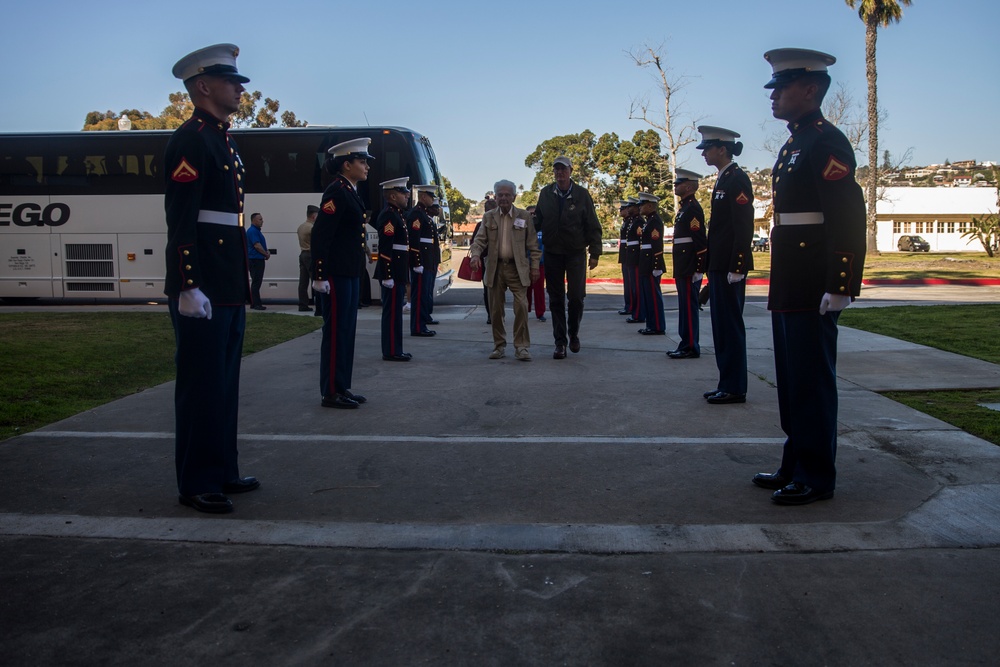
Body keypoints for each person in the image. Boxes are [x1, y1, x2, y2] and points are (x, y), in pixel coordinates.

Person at [752, 48, 867, 505]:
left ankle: (816, 475)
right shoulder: (795, 142)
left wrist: (841, 283)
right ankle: (794, 460)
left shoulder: (826, 142)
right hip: (791, 278)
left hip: (813, 279)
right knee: (792, 377)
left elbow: (846, 216)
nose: (773, 96)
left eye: (780, 88)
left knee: (812, 379)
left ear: (810, 89)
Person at [164, 43, 258, 514]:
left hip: (226, 283)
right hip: (204, 284)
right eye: (231, 81)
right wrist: (187, 284)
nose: (241, 88)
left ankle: (221, 468)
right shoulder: (191, 139)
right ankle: (196, 481)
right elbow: (182, 220)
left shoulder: (221, 138)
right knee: (201, 386)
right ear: (203, 86)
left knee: (224, 384)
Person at [311, 138, 373, 409]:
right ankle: (330, 391)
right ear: (346, 165)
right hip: (335, 273)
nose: (366, 166)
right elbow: (321, 235)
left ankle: (342, 385)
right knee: (336, 332)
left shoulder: (350, 191)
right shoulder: (336, 191)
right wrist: (320, 275)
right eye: (362, 162)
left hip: (348, 272)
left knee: (346, 331)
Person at [697, 126, 755, 404]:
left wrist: (738, 265)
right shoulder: (723, 179)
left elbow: (742, 226)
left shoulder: (737, 179)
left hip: (730, 266)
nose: (704, 153)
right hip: (719, 265)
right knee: (721, 327)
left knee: (730, 326)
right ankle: (726, 382)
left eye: (708, 148)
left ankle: (734, 386)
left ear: (723, 148)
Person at [532, 155, 602, 359]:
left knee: (576, 297)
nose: (560, 173)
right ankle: (560, 342)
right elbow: (538, 221)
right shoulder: (545, 194)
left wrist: (595, 252)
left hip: (576, 253)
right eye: (556, 170)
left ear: (571, 171)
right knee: (555, 299)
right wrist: (521, 230)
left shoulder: (582, 194)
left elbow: (592, 225)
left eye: (563, 169)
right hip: (553, 253)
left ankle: (574, 334)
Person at [469, 179, 541, 361]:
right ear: (496, 196)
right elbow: (479, 240)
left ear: (514, 197)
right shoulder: (488, 217)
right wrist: (475, 255)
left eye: (507, 195)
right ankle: (499, 346)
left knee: (522, 307)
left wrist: (534, 267)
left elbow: (533, 245)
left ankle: (522, 347)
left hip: (518, 269)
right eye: (500, 194)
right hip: (495, 268)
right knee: (495, 310)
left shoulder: (524, 217)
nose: (503, 198)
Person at [667, 169, 708, 359]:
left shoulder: (692, 209)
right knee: (684, 305)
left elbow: (699, 241)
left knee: (689, 307)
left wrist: (699, 269)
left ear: (689, 187)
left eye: (679, 183)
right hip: (683, 265)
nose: (675, 186)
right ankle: (685, 343)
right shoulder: (684, 208)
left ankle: (691, 345)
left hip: (690, 266)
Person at [374, 177, 412, 362]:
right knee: (391, 314)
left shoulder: (397, 214)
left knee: (396, 313)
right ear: (392, 196)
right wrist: (387, 275)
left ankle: (396, 348)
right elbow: (386, 247)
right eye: (403, 193)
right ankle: (390, 351)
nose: (407, 196)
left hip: (398, 271)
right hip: (392, 273)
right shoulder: (389, 215)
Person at [407, 184, 439, 337]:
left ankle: (422, 323)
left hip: (428, 261)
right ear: (423, 197)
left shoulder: (424, 214)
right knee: (418, 294)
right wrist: (417, 262)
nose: (433, 200)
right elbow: (414, 240)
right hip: (422, 262)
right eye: (431, 197)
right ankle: (417, 326)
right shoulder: (416, 214)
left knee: (424, 293)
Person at [636, 192, 666, 335]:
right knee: (648, 296)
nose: (640, 207)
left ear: (650, 205)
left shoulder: (654, 221)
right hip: (645, 262)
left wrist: (656, 265)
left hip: (651, 264)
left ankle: (658, 326)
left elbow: (657, 245)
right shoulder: (649, 220)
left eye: (642, 204)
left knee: (654, 296)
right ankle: (651, 324)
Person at [623, 198, 645, 324]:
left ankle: (638, 313)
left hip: (636, 258)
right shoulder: (633, 222)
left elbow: (640, 242)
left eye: (630, 206)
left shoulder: (639, 222)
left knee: (637, 288)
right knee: (632, 287)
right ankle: (635, 311)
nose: (628, 209)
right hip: (630, 257)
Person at [296, 204, 319, 312]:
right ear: (314, 216)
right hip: (310, 254)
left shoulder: (301, 226)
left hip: (302, 253)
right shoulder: (312, 228)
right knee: (315, 279)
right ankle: (319, 305)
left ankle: (302, 304)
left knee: (303, 282)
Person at [525, 204, 546, 322]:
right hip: (526, 263)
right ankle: (525, 310)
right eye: (530, 214)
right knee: (525, 289)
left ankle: (540, 312)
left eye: (534, 214)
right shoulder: (523, 229)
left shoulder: (543, 229)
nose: (533, 216)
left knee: (539, 290)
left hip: (540, 263)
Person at [246, 212, 270, 310]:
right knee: (256, 281)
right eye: (260, 219)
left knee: (257, 281)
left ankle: (255, 302)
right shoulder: (252, 231)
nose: (262, 221)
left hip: (257, 259)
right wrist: (265, 253)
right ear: (253, 220)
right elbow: (257, 245)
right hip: (255, 259)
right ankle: (255, 303)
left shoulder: (256, 231)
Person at [616, 199, 632, 316]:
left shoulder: (633, 222)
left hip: (631, 256)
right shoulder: (627, 222)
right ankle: (628, 306)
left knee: (632, 284)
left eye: (623, 209)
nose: (621, 211)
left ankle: (631, 307)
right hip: (626, 255)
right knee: (628, 283)